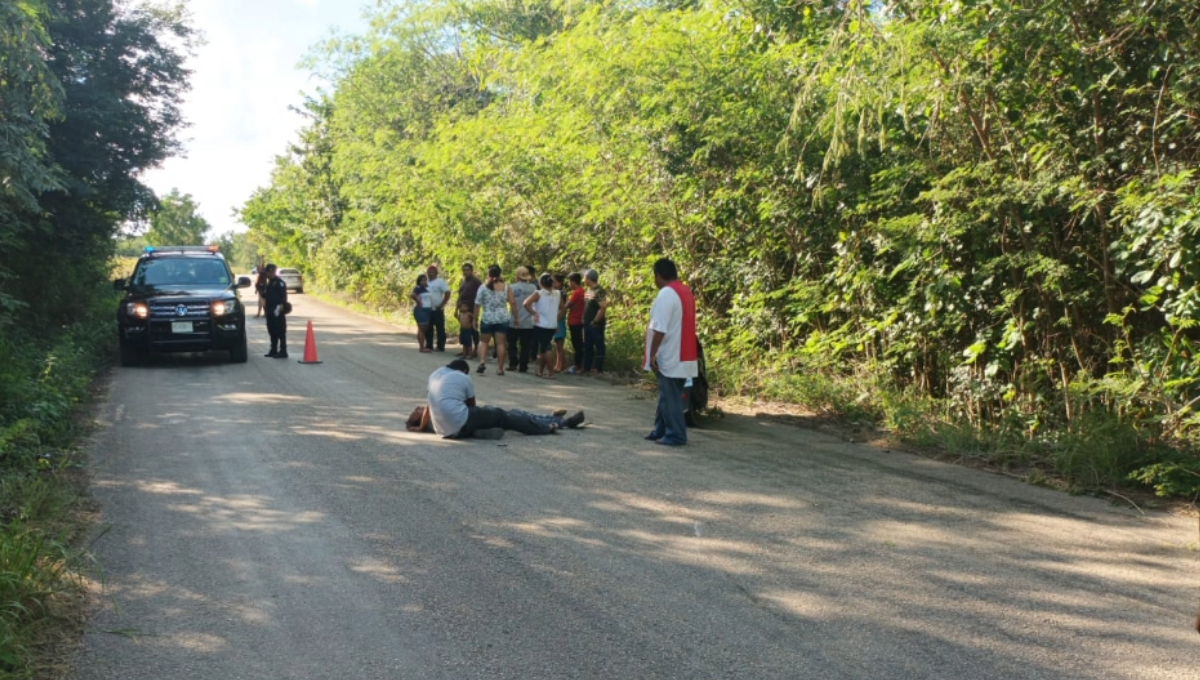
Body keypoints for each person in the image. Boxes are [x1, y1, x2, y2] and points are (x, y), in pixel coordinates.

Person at [409, 360, 586, 439]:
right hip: (461, 421)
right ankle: (551, 425)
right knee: (503, 415)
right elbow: (472, 407)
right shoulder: (462, 378)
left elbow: (428, 406)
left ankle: (553, 419)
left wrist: (421, 427)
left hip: (450, 429)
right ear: (463, 370)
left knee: (510, 414)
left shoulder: (435, 376)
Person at [644, 258, 699, 446]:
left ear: (658, 275)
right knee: (667, 394)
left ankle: (676, 434)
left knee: (670, 396)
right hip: (685, 354)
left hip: (671, 353)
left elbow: (660, 328)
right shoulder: (686, 291)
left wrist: (653, 354)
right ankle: (660, 429)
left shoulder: (666, 293)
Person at [474, 264, 512, 375]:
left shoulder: (483, 287)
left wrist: (475, 319)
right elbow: (512, 302)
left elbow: (477, 305)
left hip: (487, 317)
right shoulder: (506, 287)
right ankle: (500, 368)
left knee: (484, 341)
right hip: (502, 317)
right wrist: (516, 316)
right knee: (500, 343)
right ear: (500, 274)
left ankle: (482, 361)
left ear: (488, 274)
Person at [524, 273, 561, 378]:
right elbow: (562, 308)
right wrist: (556, 319)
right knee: (543, 348)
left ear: (541, 283)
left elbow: (526, 303)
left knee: (546, 347)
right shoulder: (557, 293)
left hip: (541, 325)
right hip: (552, 324)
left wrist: (534, 313)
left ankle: (551, 372)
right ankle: (540, 370)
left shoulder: (539, 293)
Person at [507, 266, 537, 373]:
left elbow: (510, 302)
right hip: (528, 321)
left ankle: (513, 363)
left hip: (514, 320)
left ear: (517, 276)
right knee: (526, 345)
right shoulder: (533, 288)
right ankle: (523, 366)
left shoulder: (512, 287)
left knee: (512, 343)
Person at [582, 268, 608, 375]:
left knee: (599, 345)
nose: (584, 279)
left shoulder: (600, 291)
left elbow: (603, 307)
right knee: (588, 346)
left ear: (588, 278)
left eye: (585, 277)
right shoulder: (588, 290)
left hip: (596, 324)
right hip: (587, 323)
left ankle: (598, 368)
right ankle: (586, 367)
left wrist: (595, 321)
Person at [262, 264, 290, 358]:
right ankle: (273, 349)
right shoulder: (269, 283)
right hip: (270, 310)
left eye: (270, 272)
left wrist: (281, 307)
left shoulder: (279, 283)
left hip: (277, 310)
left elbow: (283, 297)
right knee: (271, 330)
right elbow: (265, 295)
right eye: (268, 272)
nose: (269, 274)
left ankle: (283, 350)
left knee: (280, 331)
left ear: (273, 271)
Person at [456, 263, 483, 356]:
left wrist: (477, 311)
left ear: (472, 271)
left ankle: (476, 349)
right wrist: (456, 309)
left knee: (474, 330)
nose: (466, 272)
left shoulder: (476, 281)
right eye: (464, 270)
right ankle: (466, 349)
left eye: (468, 270)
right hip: (462, 308)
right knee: (464, 330)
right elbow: (459, 296)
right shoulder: (463, 281)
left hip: (472, 308)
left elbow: (481, 295)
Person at [425, 265, 451, 352]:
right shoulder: (425, 282)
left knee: (440, 328)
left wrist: (442, 304)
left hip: (437, 309)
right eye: (429, 272)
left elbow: (447, 292)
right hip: (428, 308)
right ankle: (429, 345)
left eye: (433, 272)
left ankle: (440, 346)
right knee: (428, 328)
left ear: (436, 273)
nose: (431, 274)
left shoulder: (440, 282)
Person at [565, 272, 586, 374]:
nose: (569, 284)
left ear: (573, 282)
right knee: (579, 344)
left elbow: (567, 305)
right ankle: (580, 364)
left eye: (569, 282)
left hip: (574, 321)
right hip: (580, 320)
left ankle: (577, 365)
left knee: (577, 344)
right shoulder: (583, 291)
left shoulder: (577, 292)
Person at [411, 274, 434, 353]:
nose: (424, 281)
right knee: (422, 328)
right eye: (422, 280)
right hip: (421, 309)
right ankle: (421, 347)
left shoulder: (427, 288)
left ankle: (424, 345)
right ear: (419, 281)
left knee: (425, 328)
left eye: (425, 280)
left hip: (428, 310)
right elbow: (413, 295)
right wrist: (418, 301)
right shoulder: (418, 288)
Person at [552, 274, 568, 373]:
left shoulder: (561, 292)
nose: (553, 284)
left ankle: (561, 365)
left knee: (559, 344)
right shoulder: (557, 292)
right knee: (557, 344)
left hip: (559, 318)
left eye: (555, 282)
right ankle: (558, 364)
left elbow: (562, 308)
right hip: (556, 317)